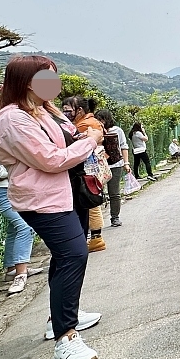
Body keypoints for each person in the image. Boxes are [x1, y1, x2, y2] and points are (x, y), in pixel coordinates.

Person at [0, 55, 103, 359]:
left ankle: (59, 319)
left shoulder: (40, 111)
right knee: (74, 254)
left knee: (66, 256)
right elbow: (50, 159)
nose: (54, 85)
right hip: (41, 199)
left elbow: (61, 143)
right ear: (26, 82)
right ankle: (65, 340)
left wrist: (79, 139)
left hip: (58, 195)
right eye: (46, 79)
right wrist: (89, 141)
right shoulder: (13, 119)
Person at [0, 117, 44, 296]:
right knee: (25, 227)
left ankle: (11, 269)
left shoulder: (3, 134)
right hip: (3, 190)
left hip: (6, 190)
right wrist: (6, 175)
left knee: (14, 229)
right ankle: (20, 275)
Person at [63, 97, 107, 252]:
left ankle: (96, 239)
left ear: (79, 110)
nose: (65, 112)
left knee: (88, 200)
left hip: (86, 169)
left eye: (68, 109)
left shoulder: (83, 125)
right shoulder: (93, 121)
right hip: (94, 167)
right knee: (91, 200)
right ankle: (95, 238)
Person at [94, 109, 128, 228]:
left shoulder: (117, 131)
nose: (99, 122)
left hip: (115, 165)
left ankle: (115, 217)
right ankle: (96, 222)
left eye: (101, 119)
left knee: (114, 193)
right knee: (96, 194)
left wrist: (126, 163)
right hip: (99, 166)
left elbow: (124, 146)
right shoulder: (95, 132)